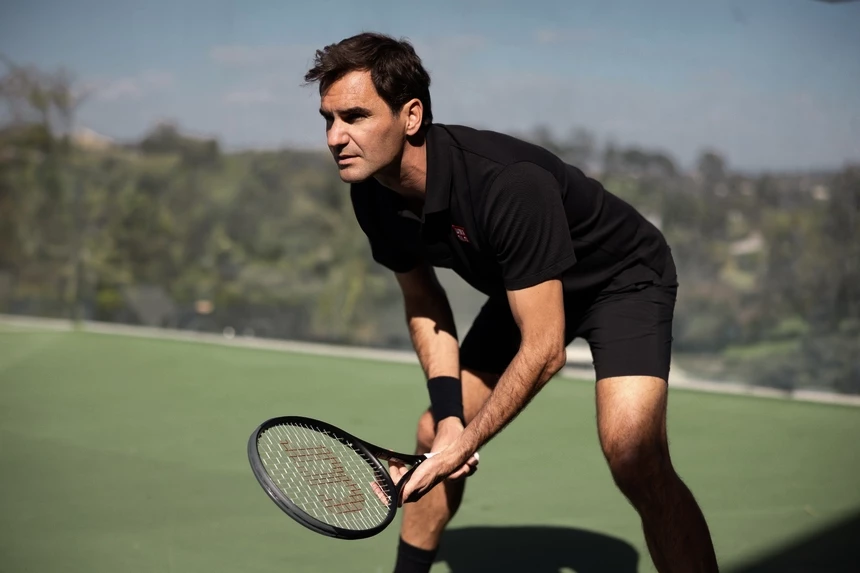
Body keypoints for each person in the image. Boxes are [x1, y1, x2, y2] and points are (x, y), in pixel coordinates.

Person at [304, 32, 720, 573]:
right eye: (327, 120)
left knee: (633, 457)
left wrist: (468, 442)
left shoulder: (506, 184)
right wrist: (452, 423)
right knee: (434, 431)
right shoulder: (371, 194)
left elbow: (544, 348)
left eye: (355, 116)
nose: (336, 137)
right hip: (526, 285)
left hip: (621, 280)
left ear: (410, 116)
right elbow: (425, 301)